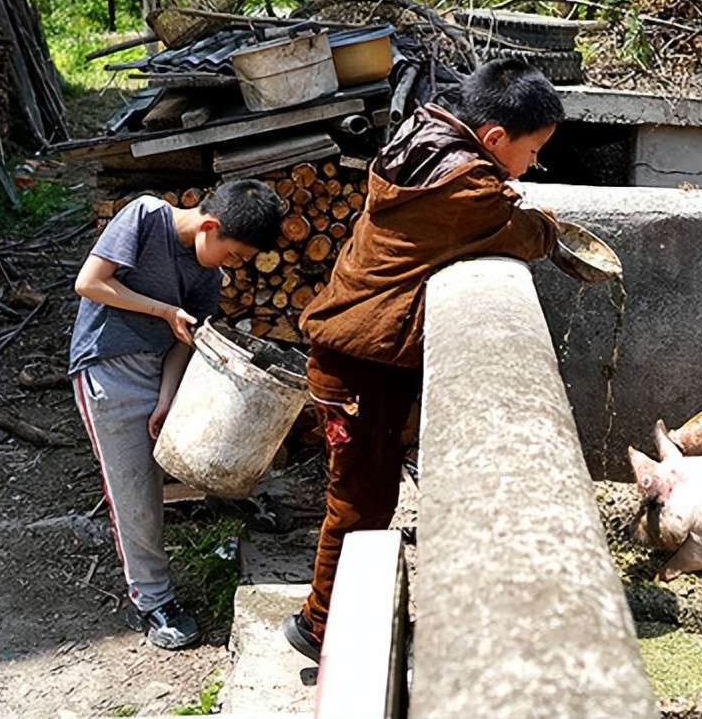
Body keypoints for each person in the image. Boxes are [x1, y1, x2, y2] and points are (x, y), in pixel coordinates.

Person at [283, 58, 564, 660]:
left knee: (370, 490)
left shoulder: (424, 135)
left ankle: (329, 613)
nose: (534, 164)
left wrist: (499, 190)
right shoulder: (464, 187)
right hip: (358, 364)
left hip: (354, 351)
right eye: (533, 150)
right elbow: (522, 235)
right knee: (359, 500)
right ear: (493, 139)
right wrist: (540, 222)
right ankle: (318, 625)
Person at [69, 180, 283, 650]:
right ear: (210, 225)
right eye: (232, 255)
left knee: (214, 438)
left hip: (157, 372)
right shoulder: (145, 214)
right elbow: (89, 282)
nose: (232, 267)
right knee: (135, 491)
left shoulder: (209, 277)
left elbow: (182, 344)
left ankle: (224, 500)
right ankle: (151, 599)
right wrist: (163, 309)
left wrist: (168, 399)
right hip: (109, 370)